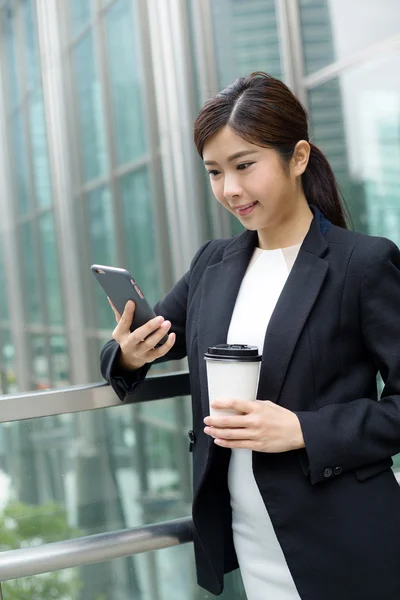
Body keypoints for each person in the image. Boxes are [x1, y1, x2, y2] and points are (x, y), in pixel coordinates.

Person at [100, 72, 400, 600]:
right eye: (215, 172)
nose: (230, 189)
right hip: (249, 537)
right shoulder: (213, 264)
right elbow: (138, 348)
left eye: (244, 166)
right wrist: (126, 354)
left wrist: (304, 430)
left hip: (346, 541)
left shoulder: (362, 264)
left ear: (299, 157)